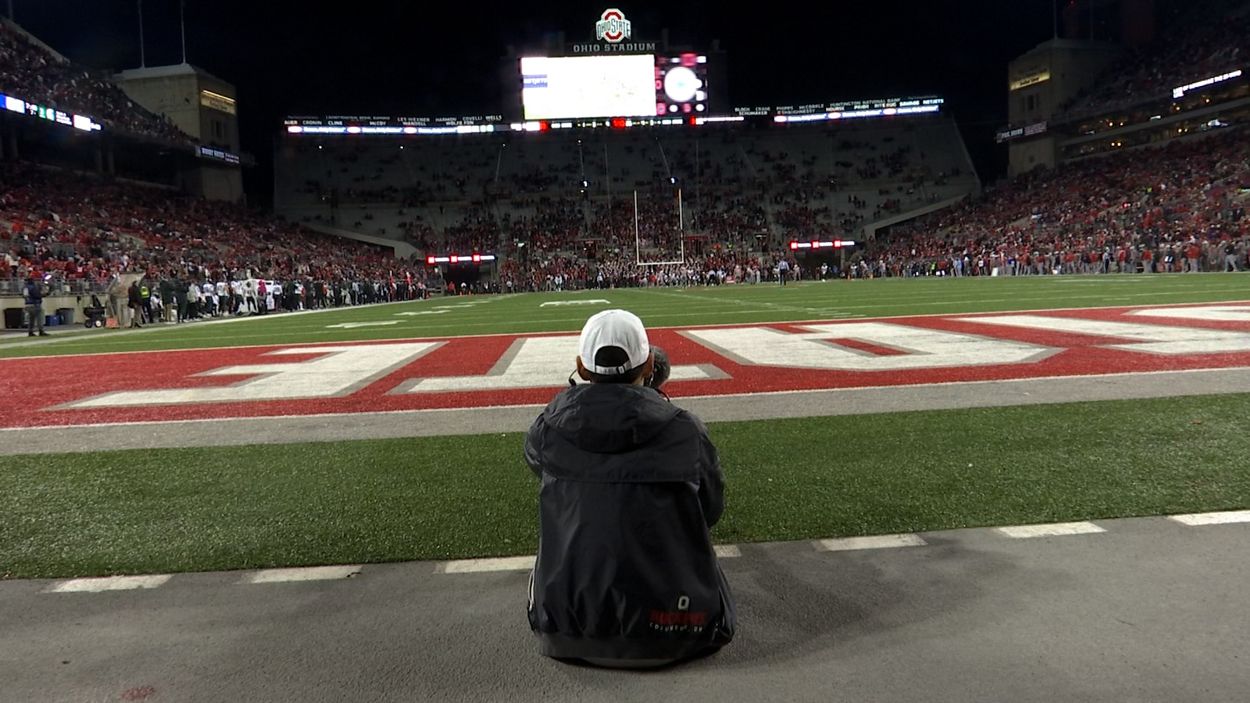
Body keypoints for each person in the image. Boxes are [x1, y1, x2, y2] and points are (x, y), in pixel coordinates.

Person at [523, 309, 735, 668]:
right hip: (679, 633)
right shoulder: (686, 430)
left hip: (567, 632)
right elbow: (710, 511)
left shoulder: (546, 430)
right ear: (650, 362)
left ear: (580, 364)